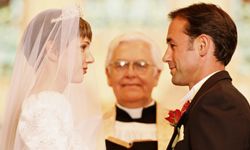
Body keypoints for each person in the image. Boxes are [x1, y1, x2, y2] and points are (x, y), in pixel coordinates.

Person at [0, 7, 103, 150]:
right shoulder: (43, 109)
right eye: (82, 47)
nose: (90, 58)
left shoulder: (45, 104)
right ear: (52, 50)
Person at [162, 3, 250, 150]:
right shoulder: (212, 98)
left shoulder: (219, 102)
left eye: (173, 45)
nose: (166, 57)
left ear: (202, 45)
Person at [103, 32, 172, 150]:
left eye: (141, 65)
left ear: (157, 75)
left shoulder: (180, 127)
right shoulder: (91, 127)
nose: (130, 74)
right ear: (108, 74)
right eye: (120, 65)